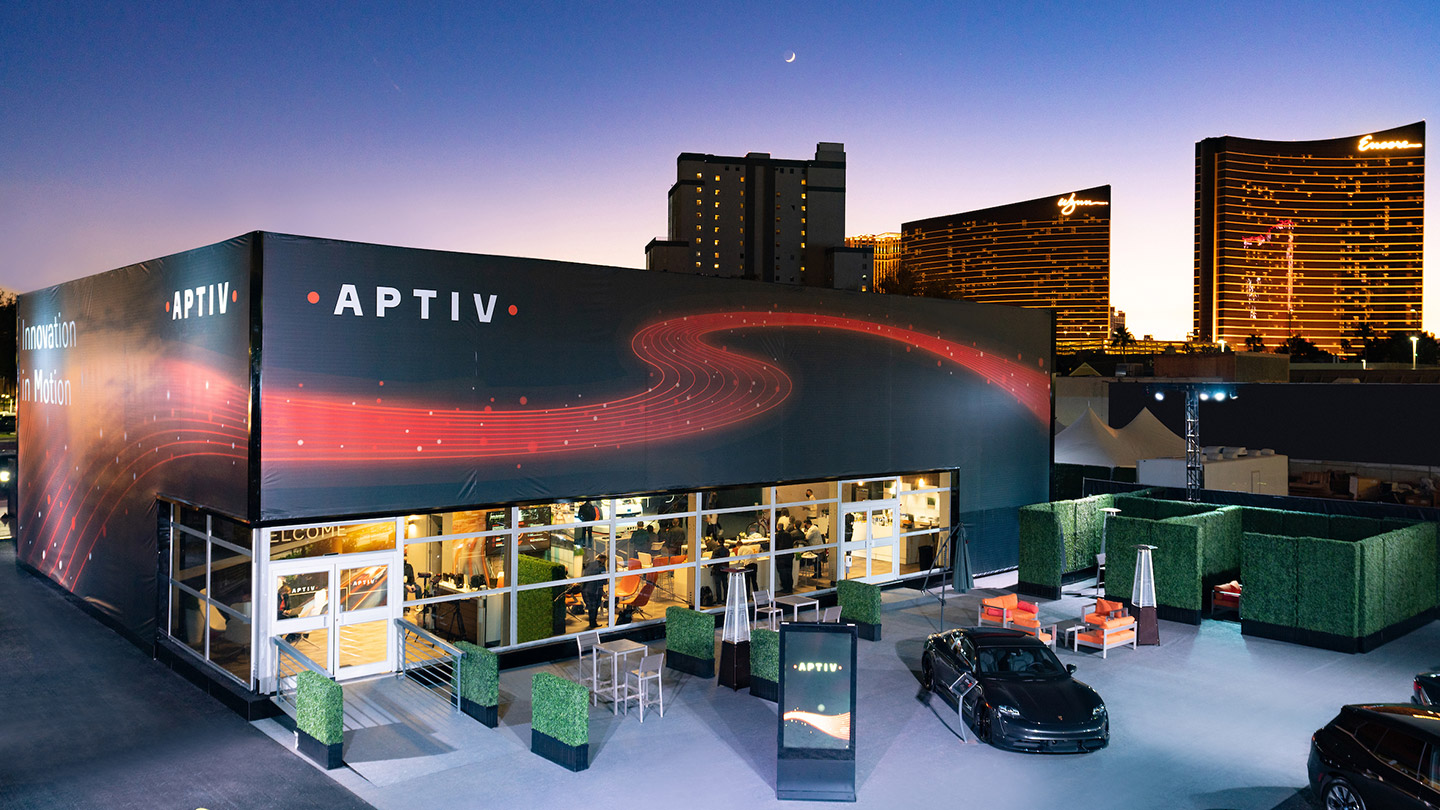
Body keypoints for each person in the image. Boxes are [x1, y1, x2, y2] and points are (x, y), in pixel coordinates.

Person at [581, 554, 608, 628]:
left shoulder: (589, 564)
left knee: (591, 607)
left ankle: (592, 623)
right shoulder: (601, 567)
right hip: (595, 590)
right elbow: (604, 580)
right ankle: (593, 623)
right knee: (595, 606)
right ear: (603, 559)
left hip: (586, 589)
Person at [775, 521, 796, 593]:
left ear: (777, 527)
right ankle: (790, 587)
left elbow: (775, 546)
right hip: (789, 556)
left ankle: (785, 588)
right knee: (789, 572)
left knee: (782, 573)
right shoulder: (788, 534)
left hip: (781, 557)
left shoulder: (777, 536)